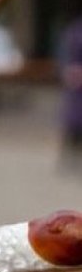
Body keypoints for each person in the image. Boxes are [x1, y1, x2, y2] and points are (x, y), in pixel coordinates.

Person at [61, 17, 82, 171]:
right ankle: (71, 158)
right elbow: (64, 56)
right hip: (76, 87)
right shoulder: (74, 30)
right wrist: (69, 69)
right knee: (74, 120)